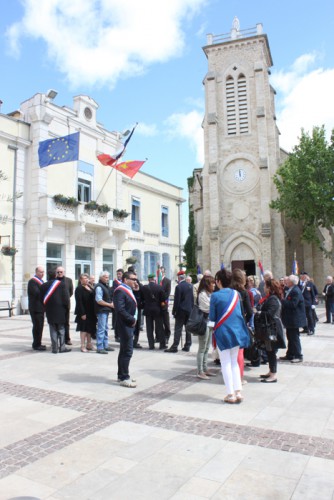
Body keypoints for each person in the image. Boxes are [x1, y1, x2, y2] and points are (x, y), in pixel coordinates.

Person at [209, 269, 250, 404]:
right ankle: (238, 391)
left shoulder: (215, 296)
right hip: (237, 331)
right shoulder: (236, 294)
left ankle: (230, 394)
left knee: (225, 363)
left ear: (219, 281)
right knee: (234, 363)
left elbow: (212, 317)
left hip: (223, 332)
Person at [254, 279, 286, 383]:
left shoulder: (273, 299)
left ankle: (273, 375)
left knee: (271, 351)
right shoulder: (271, 298)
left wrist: (258, 312)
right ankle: (271, 371)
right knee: (269, 350)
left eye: (265, 286)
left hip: (272, 329)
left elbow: (270, 314)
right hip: (269, 328)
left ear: (269, 288)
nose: (264, 288)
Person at [113, 271, 138, 388]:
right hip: (125, 325)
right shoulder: (120, 291)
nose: (135, 281)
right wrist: (132, 319)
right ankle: (124, 377)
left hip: (127, 324)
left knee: (124, 350)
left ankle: (121, 375)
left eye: (136, 279)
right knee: (127, 351)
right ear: (125, 280)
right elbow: (120, 310)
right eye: (133, 279)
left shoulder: (128, 290)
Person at [40, 269, 71, 354]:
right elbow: (66, 298)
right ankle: (62, 347)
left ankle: (54, 348)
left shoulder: (43, 286)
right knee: (61, 329)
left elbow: (41, 299)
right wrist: (67, 308)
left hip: (49, 310)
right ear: (55, 275)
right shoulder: (62, 284)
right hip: (61, 310)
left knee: (52, 329)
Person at [165, 270, 194, 353]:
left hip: (181, 310)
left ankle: (175, 346)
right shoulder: (190, 286)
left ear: (179, 277)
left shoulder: (179, 287)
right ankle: (188, 345)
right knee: (187, 328)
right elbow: (191, 299)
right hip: (188, 310)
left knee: (178, 328)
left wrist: (174, 311)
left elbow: (177, 301)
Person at [280, 274, 306, 363]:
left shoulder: (296, 291)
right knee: (290, 337)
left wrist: (283, 301)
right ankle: (290, 354)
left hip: (294, 319)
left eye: (287, 280)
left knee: (294, 338)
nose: (285, 281)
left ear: (291, 282)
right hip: (290, 319)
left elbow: (293, 304)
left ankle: (298, 355)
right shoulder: (290, 289)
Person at [196, 275, 216, 379]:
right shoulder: (202, 294)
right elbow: (207, 308)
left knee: (207, 347)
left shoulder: (211, 294)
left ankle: (205, 367)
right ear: (207, 284)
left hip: (210, 322)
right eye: (212, 283)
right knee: (202, 347)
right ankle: (200, 371)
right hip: (204, 322)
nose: (214, 284)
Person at [142, 273, 166, 350]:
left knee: (149, 328)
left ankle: (151, 345)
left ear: (148, 279)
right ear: (154, 279)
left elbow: (142, 298)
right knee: (160, 328)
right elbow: (163, 299)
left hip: (148, 309)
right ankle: (162, 345)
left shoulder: (144, 287)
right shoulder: (159, 287)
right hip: (157, 310)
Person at [74, 273, 97, 352]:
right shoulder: (79, 288)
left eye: (87, 278)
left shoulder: (90, 286)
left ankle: (89, 344)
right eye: (84, 278)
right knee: (83, 329)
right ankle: (82, 345)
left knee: (89, 329)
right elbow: (79, 302)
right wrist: (82, 313)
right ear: (80, 280)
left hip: (91, 312)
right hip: (84, 312)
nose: (86, 279)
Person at [94, 271, 114, 354]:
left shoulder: (105, 286)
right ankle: (99, 347)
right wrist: (109, 304)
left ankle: (105, 345)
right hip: (101, 310)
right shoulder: (99, 287)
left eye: (108, 277)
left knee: (105, 328)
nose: (107, 279)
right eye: (105, 277)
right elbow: (98, 300)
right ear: (101, 277)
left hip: (105, 310)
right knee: (101, 329)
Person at [27, 265, 46, 351]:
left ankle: (39, 342)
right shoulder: (32, 281)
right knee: (37, 326)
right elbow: (37, 293)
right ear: (36, 272)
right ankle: (36, 344)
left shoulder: (41, 281)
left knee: (40, 326)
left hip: (41, 308)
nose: (42, 274)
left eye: (43, 272)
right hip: (35, 308)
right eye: (40, 272)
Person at [55, 266, 73, 345]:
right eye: (58, 272)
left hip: (65, 305)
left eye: (61, 272)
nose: (59, 273)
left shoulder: (68, 280)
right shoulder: (54, 281)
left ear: (64, 272)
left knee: (66, 323)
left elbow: (71, 292)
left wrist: (65, 299)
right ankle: (58, 339)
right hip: (56, 306)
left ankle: (67, 339)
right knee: (57, 323)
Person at [160, 266, 171, 345]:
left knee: (166, 321)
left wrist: (161, 300)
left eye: (162, 271)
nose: (161, 273)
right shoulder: (156, 280)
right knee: (158, 322)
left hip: (163, 303)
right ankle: (159, 337)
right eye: (159, 271)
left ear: (164, 272)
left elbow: (167, 293)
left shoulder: (167, 281)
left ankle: (167, 336)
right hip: (156, 305)